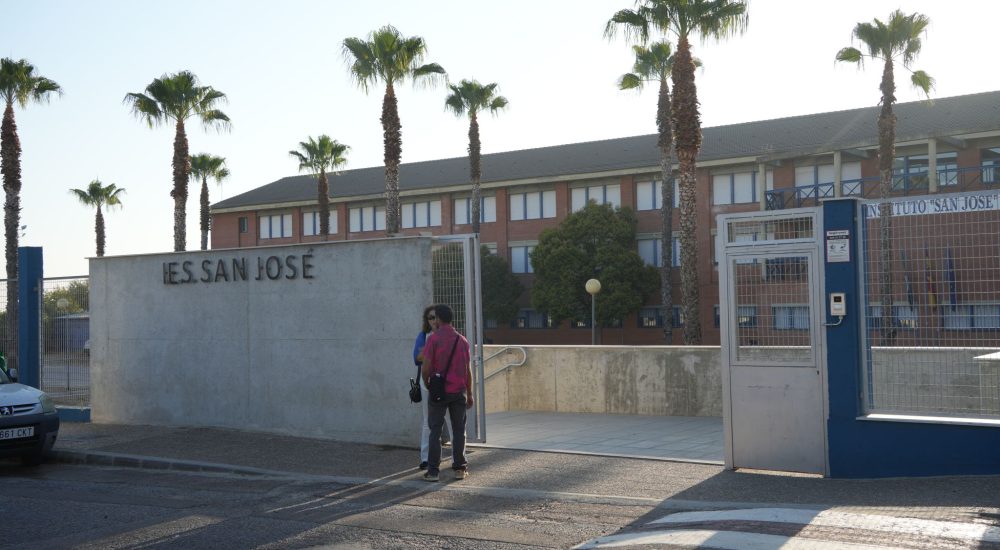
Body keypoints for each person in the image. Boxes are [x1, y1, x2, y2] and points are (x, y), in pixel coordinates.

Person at [420, 304, 473, 482]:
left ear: (439, 319)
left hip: (438, 391)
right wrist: (470, 393)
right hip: (458, 391)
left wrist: (428, 383)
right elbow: (467, 370)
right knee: (458, 430)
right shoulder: (462, 340)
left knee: (435, 430)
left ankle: (433, 472)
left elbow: (425, 368)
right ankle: (460, 469)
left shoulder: (433, 340)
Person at [412, 305, 451, 470]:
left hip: (448, 382)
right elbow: (417, 358)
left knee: (451, 420)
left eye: (436, 317)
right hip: (428, 383)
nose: (434, 321)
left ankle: (458, 460)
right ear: (426, 321)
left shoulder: (450, 335)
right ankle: (426, 458)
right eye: (430, 318)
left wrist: (428, 352)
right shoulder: (423, 336)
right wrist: (432, 351)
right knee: (427, 421)